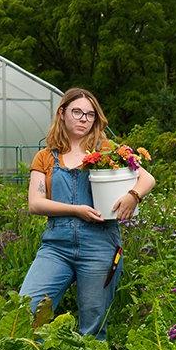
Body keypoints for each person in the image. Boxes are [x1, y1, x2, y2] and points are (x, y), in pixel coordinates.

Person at [18, 87, 154, 337]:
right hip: (56, 247)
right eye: (77, 112)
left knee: (93, 324)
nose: (83, 119)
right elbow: (35, 203)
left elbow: (147, 179)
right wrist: (76, 210)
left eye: (90, 115)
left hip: (100, 245)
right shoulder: (46, 157)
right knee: (27, 308)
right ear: (62, 113)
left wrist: (132, 196)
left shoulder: (107, 153)